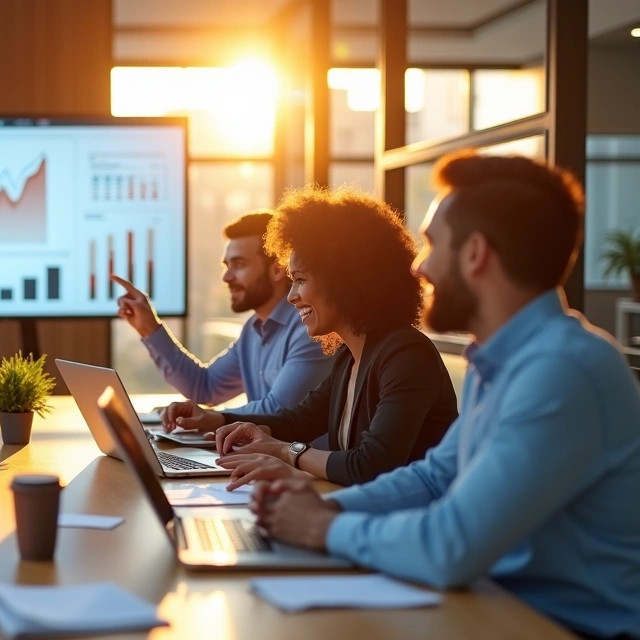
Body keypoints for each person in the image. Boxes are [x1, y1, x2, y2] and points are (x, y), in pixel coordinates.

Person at [251, 153, 640, 640]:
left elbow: (451, 545)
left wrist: (321, 529)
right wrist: (330, 509)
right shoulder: (497, 362)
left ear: (476, 253)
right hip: (496, 608)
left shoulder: (563, 371)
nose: (419, 266)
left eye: (433, 244)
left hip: (563, 627)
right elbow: (437, 477)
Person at [163, 188, 458, 488]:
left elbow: (370, 465)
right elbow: (297, 422)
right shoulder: (349, 357)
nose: (291, 297)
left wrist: (284, 452)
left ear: (344, 279)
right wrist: (223, 423)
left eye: (300, 280)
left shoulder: (406, 355)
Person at [114, 210, 331, 413]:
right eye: (226, 266)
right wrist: (150, 327)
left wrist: (206, 419)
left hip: (294, 454)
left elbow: (278, 410)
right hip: (260, 454)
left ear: (277, 269)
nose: (226, 277)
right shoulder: (253, 330)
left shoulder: (309, 327)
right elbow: (205, 387)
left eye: (239, 265)